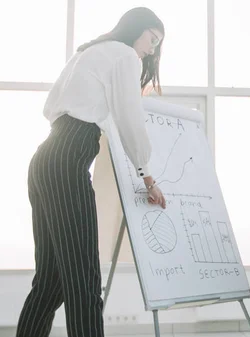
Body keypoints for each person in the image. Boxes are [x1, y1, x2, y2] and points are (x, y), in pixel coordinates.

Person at [16, 7, 167, 337]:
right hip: (69, 156)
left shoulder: (87, 51)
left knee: (50, 282)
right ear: (136, 29)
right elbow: (130, 120)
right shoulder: (126, 56)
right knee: (84, 280)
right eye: (151, 40)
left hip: (44, 156)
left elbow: (52, 106)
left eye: (156, 45)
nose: (151, 49)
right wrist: (147, 176)